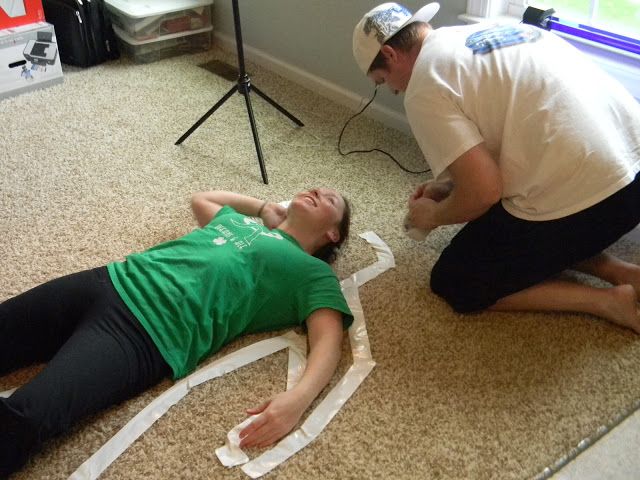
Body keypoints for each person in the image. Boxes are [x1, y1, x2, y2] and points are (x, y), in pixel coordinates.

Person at [0, 187, 353, 476]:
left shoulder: (312, 273)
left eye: (330, 199)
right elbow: (202, 199)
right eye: (315, 188)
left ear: (332, 233)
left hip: (146, 335)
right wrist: (264, 208)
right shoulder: (242, 223)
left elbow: (328, 340)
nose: (317, 191)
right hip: (108, 280)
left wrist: (298, 399)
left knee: (26, 417)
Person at [352, 3, 640, 331]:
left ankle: (607, 301)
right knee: (503, 224)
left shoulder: (423, 86)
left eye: (383, 80)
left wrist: (432, 216)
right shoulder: (488, 31)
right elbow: (514, 136)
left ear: (390, 54)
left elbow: (485, 192)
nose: (392, 89)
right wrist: (450, 187)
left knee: (454, 280)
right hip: (632, 170)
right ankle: (620, 271)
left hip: (600, 201)